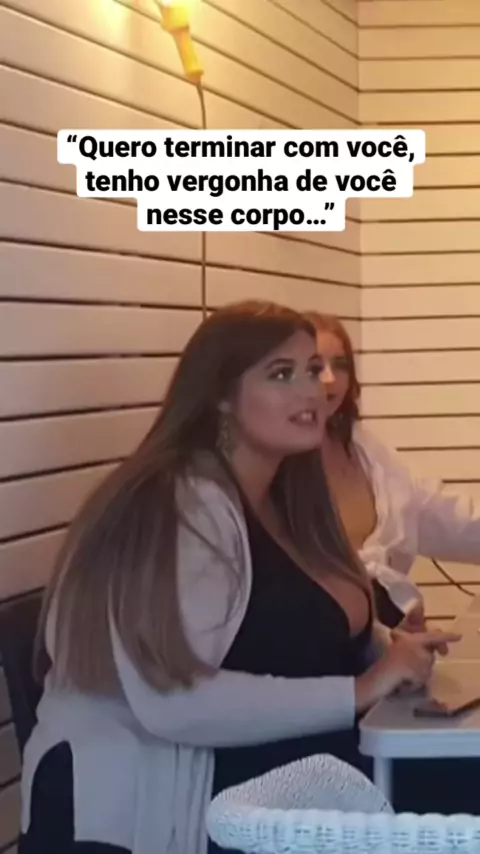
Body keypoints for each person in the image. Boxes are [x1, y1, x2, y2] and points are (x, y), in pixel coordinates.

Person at [20, 301, 456, 854]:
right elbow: (175, 700)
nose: (314, 389)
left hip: (289, 787)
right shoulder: (177, 504)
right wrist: (361, 689)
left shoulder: (291, 492)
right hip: (163, 809)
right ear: (221, 395)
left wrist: (390, 652)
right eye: (282, 374)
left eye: (315, 370)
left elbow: (297, 631)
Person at [305, 311, 480, 631]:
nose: (329, 379)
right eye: (315, 367)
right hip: (320, 650)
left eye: (340, 365)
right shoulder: (270, 466)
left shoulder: (366, 449)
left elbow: (441, 512)